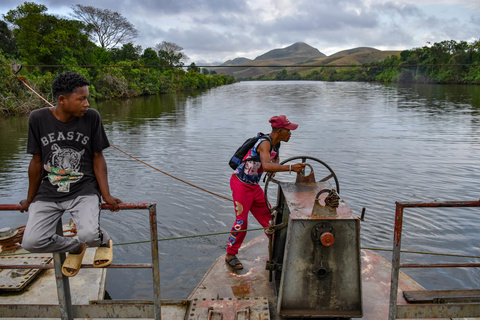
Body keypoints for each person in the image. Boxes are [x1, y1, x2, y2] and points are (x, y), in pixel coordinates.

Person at [19, 71, 122, 277]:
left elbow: (97, 157)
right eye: (81, 99)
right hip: (48, 191)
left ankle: (103, 240)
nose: (86, 103)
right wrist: (29, 199)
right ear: (62, 100)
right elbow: (37, 162)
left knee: (90, 235)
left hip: (83, 189)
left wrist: (106, 195)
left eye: (87, 98)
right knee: (31, 242)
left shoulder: (92, 117)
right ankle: (75, 247)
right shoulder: (37, 119)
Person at [226, 115, 306, 270]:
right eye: (288, 131)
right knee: (241, 222)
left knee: (270, 219)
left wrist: (274, 167)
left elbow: (274, 160)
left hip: (253, 186)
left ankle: (278, 251)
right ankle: (230, 255)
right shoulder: (264, 143)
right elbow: (267, 165)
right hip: (241, 184)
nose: (290, 134)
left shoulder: (276, 144)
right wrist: (290, 168)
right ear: (281, 130)